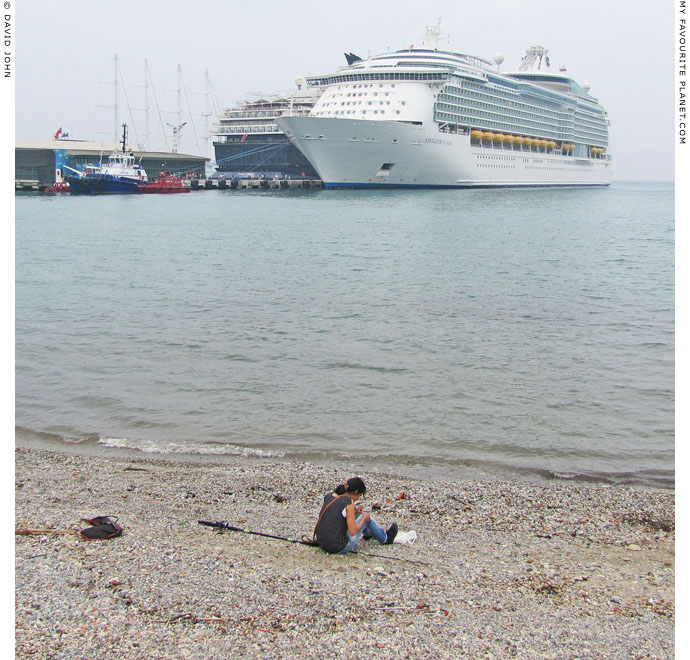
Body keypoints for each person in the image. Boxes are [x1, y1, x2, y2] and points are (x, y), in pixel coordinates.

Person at [314, 477, 397, 554]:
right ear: (356, 492)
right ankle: (385, 539)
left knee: (359, 516)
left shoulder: (330, 496)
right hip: (338, 547)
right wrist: (364, 519)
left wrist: (354, 512)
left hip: (322, 542)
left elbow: (335, 513)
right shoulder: (348, 502)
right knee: (366, 517)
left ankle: (368, 534)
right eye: (359, 495)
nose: (358, 498)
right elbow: (353, 531)